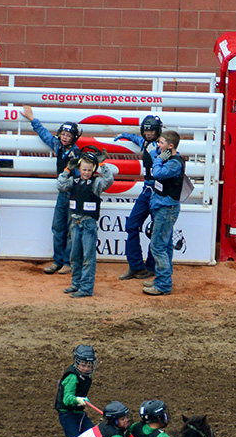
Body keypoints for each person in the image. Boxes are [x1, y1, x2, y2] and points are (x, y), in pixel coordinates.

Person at [20, 104, 82, 275]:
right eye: (63, 134)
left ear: (74, 137)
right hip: (63, 195)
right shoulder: (59, 147)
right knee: (58, 227)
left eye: (68, 135)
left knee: (70, 229)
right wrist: (33, 119)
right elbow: (45, 135)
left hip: (73, 195)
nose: (65, 137)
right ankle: (58, 261)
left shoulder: (76, 154)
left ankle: (68, 263)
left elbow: (78, 177)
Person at [58, 148, 117, 299]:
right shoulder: (74, 181)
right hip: (75, 222)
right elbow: (60, 185)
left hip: (88, 223)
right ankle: (76, 284)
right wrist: (66, 169)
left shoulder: (96, 183)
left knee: (87, 257)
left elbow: (109, 180)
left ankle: (86, 288)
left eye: (90, 170)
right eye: (84, 169)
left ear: (94, 170)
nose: (86, 172)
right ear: (78, 169)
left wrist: (102, 164)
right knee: (75, 255)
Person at [113, 115, 162, 281]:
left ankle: (151, 267)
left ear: (158, 131)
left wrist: (156, 154)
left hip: (158, 191)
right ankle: (136, 266)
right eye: (146, 131)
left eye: (152, 131)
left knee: (156, 229)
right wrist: (127, 135)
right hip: (147, 189)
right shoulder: (146, 143)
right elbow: (138, 140)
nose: (148, 134)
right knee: (131, 225)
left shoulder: (160, 148)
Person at [45, 344, 96, 437]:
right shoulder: (72, 377)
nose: (86, 368)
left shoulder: (85, 376)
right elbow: (67, 398)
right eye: (83, 365)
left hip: (79, 413)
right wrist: (78, 400)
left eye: (89, 365)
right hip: (67, 414)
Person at [142, 130, 185, 297]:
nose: (158, 145)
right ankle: (162, 279)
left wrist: (159, 158)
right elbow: (153, 159)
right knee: (165, 245)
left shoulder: (174, 163)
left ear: (170, 146)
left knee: (158, 246)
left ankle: (163, 284)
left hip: (167, 209)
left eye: (161, 143)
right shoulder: (169, 159)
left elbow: (157, 172)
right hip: (163, 207)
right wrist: (158, 156)